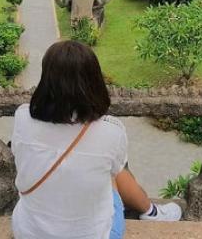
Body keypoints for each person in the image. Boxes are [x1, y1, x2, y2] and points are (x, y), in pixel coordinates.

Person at [11, 41, 182, 239]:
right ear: (93, 81)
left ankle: (150, 211)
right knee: (112, 173)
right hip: (94, 234)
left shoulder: (22, 118)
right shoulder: (111, 131)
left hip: (29, 232)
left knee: (99, 165)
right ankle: (151, 211)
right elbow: (116, 169)